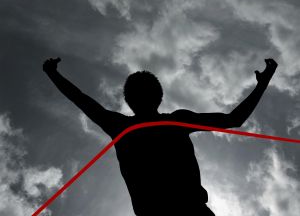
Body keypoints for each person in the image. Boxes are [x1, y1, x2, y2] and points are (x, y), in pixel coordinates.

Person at [43, 58, 277, 215]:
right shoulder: (168, 122)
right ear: (158, 97)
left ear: (130, 100)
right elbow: (234, 119)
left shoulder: (123, 125)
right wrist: (262, 85)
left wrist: (53, 74)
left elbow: (81, 99)